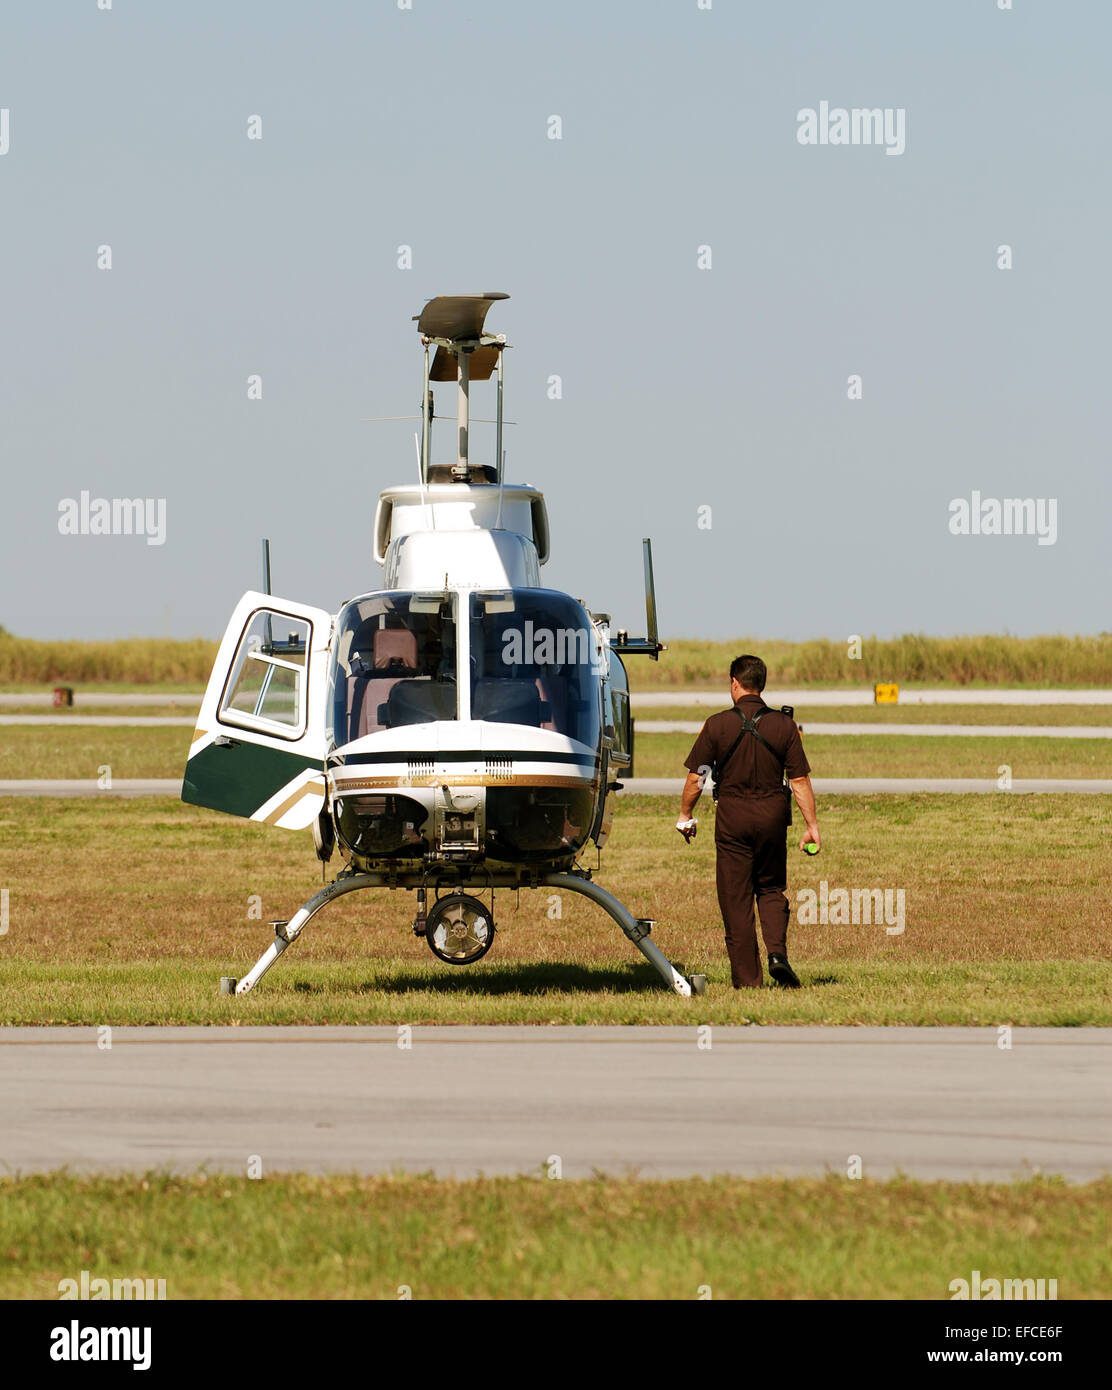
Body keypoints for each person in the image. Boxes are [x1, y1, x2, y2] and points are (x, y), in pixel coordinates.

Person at [675, 654, 820, 989]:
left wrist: (685, 815)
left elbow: (697, 778)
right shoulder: (785, 726)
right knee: (770, 888)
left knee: (735, 898)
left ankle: (748, 980)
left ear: (734, 683)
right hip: (772, 818)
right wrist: (811, 826)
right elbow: (799, 782)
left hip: (732, 822)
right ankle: (777, 955)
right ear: (762, 685)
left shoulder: (716, 725)